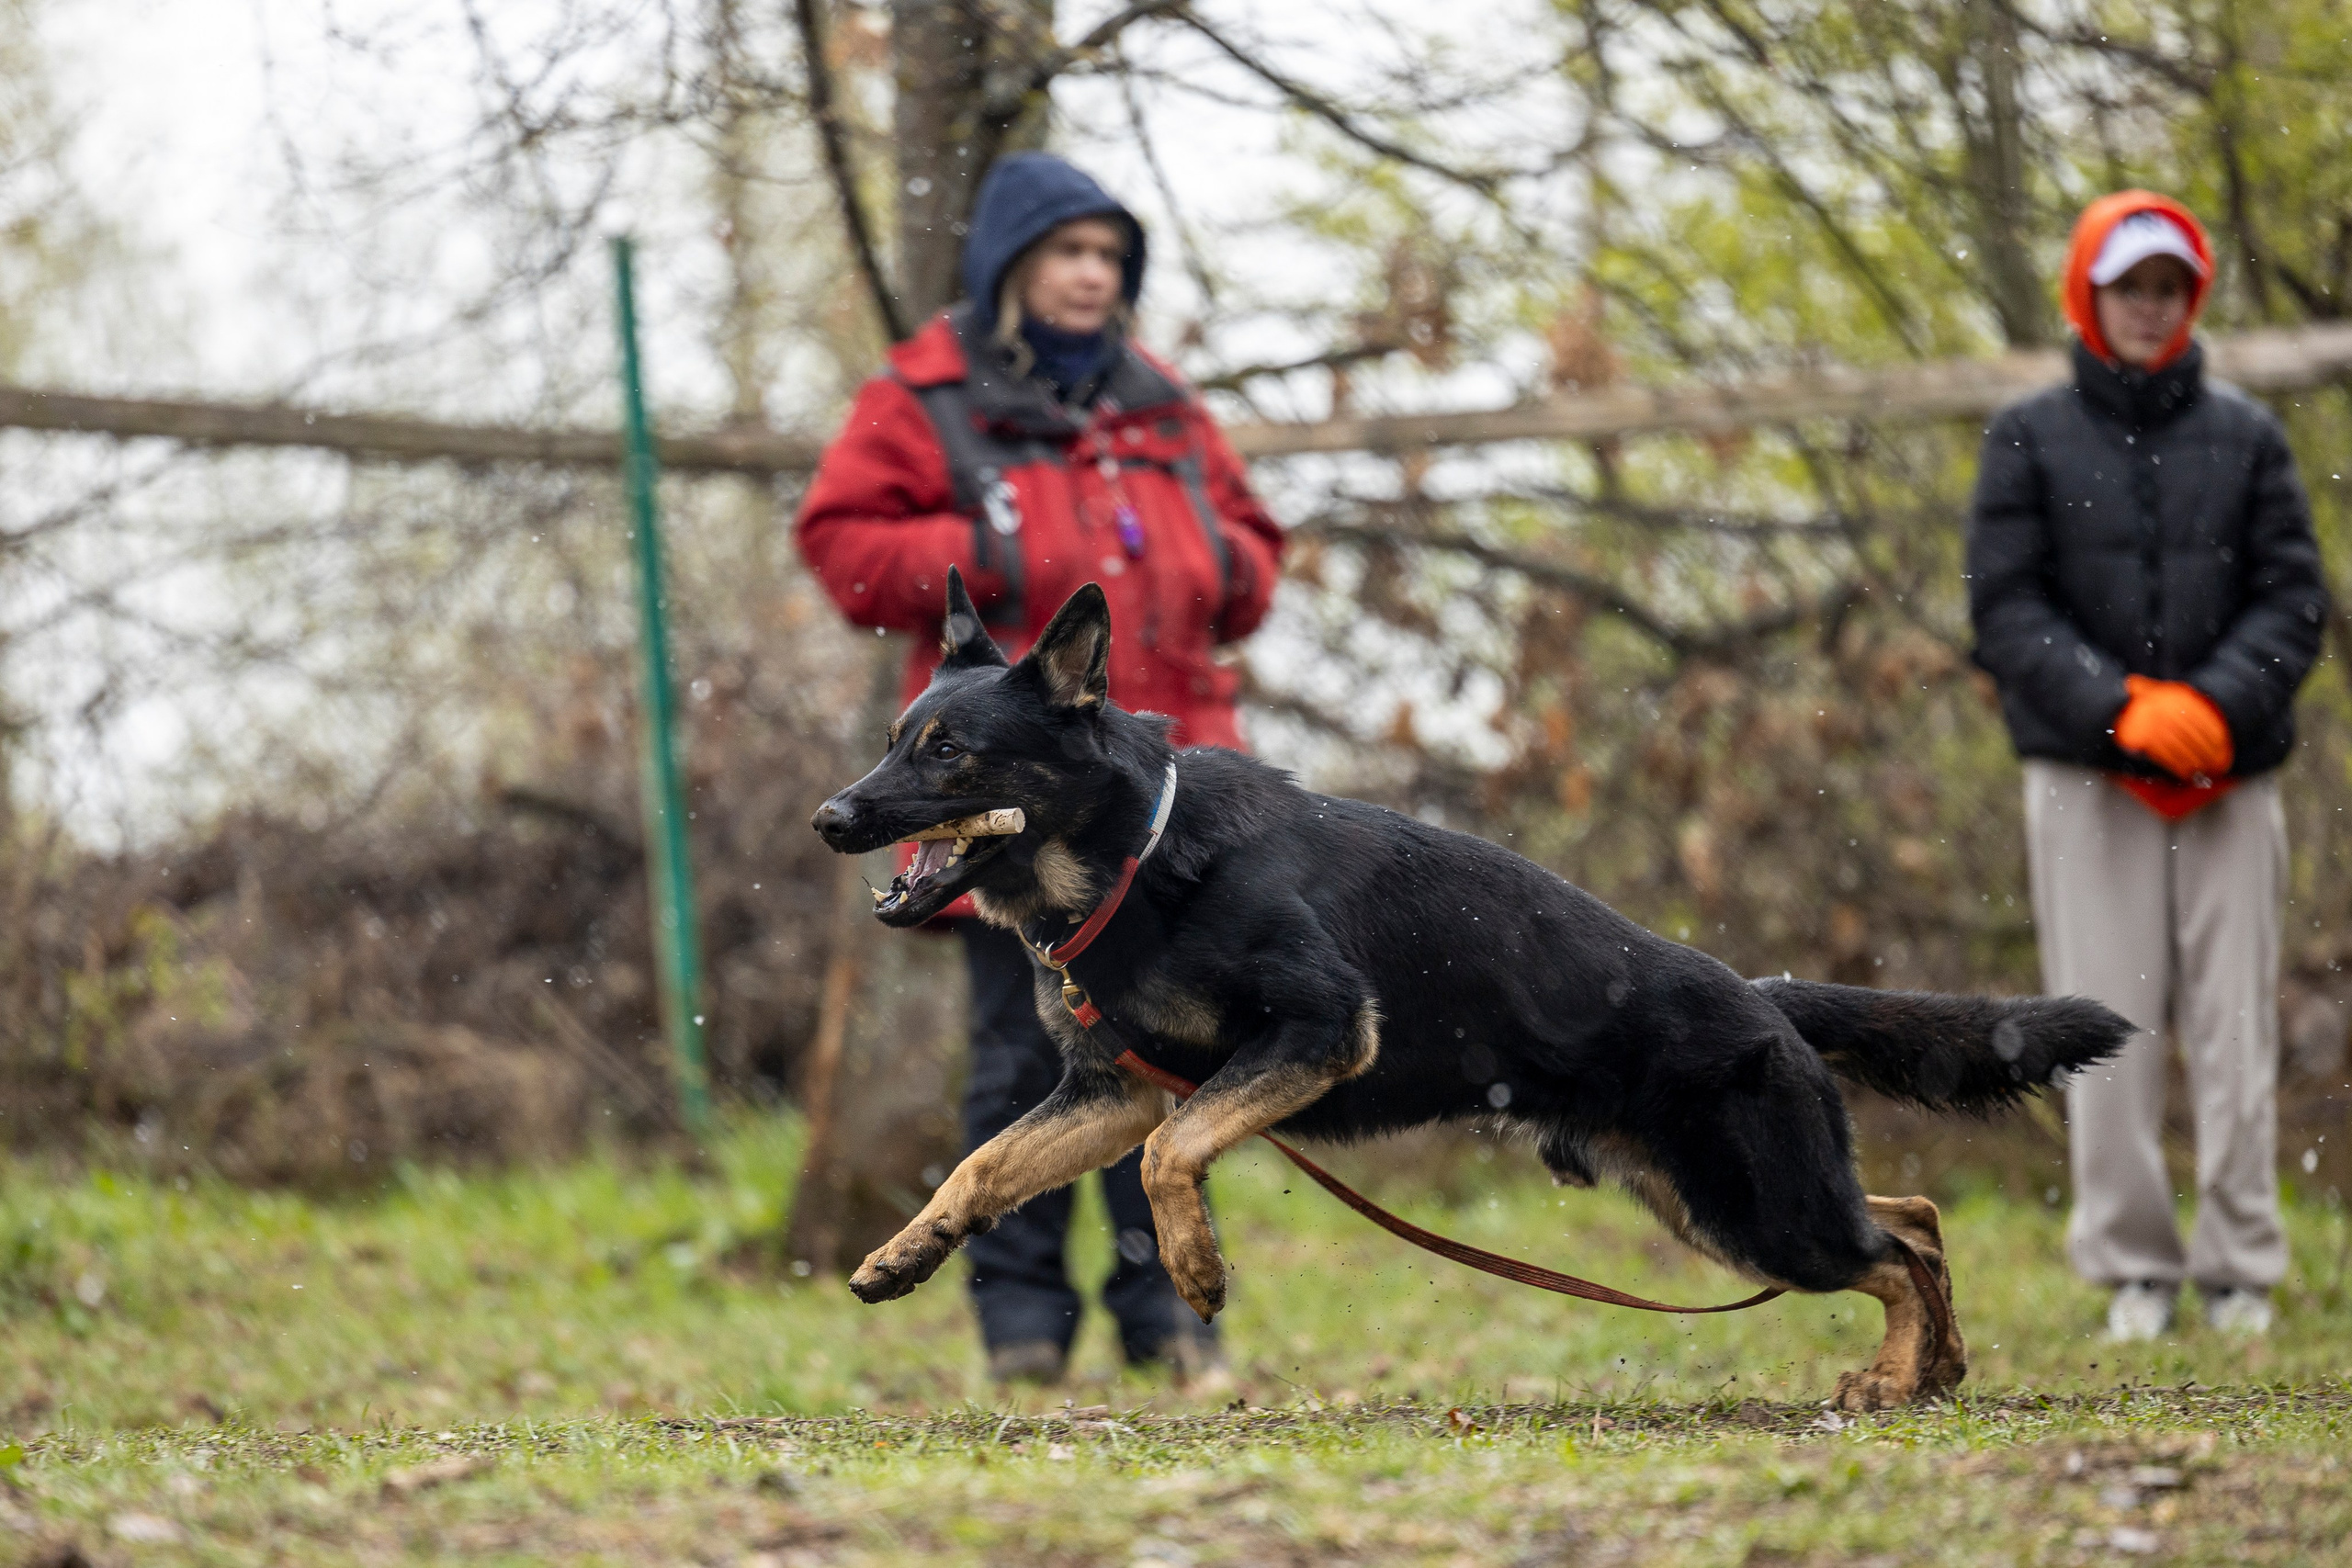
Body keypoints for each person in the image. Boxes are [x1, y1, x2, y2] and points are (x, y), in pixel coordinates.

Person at [796, 152, 1283, 1385]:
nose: (1091, 276)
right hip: (998, 806)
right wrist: (985, 541)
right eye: (1069, 253)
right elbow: (841, 542)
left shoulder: (1161, 403)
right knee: (1029, 1058)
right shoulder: (927, 396)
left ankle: (1166, 1316)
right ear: (1012, 268)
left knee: (1171, 1055)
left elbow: (1256, 552)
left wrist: (1216, 563)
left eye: (1111, 257)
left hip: (1167, 804)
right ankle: (1020, 1328)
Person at [1967, 192, 2328, 1343]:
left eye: (2168, 286)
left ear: (2191, 297)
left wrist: (2214, 706)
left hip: (2234, 776)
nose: (2148, 305)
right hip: (2083, 776)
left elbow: (2291, 595)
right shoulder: (2026, 438)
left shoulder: (2249, 435)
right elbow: (2006, 608)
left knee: (2231, 1023)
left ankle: (2237, 1263)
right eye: (2129, 286)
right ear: (2089, 292)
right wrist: (2119, 707)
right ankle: (2131, 1261)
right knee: (2101, 1018)